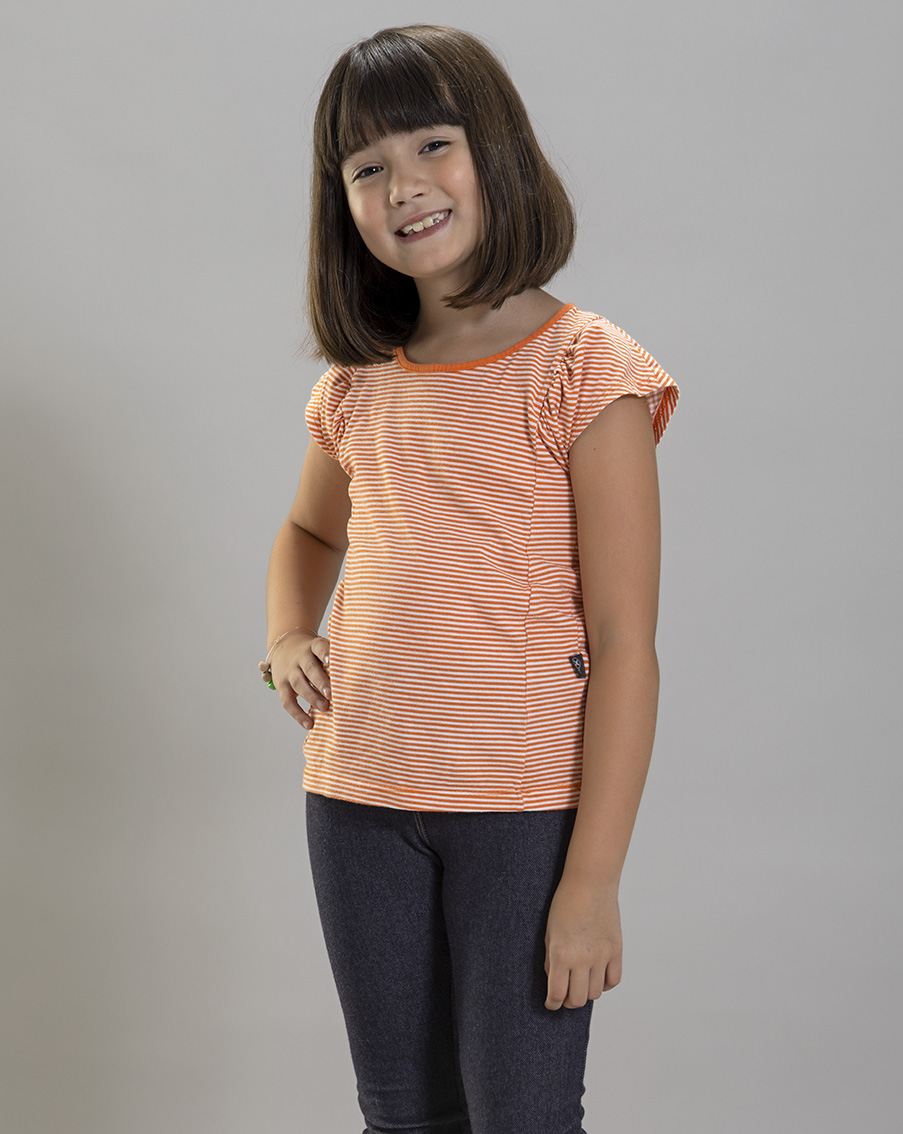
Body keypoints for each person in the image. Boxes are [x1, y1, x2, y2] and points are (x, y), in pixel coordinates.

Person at [261, 23, 680, 1134]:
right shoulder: (359, 383)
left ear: (496, 150)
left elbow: (625, 646)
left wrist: (591, 881)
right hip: (355, 802)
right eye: (366, 168)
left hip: (522, 818)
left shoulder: (587, 371)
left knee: (522, 1116)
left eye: (431, 145)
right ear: (341, 204)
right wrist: (288, 633)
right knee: (402, 1115)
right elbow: (306, 532)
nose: (403, 185)